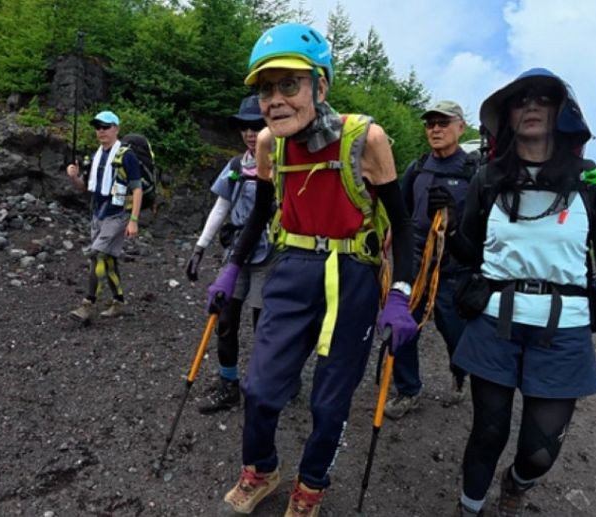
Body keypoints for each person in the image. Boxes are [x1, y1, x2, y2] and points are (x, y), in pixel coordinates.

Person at [207, 23, 418, 516]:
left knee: (329, 402)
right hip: (293, 266)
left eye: (288, 85)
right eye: (265, 88)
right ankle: (260, 469)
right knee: (259, 388)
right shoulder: (268, 145)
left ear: (320, 86)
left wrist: (400, 294)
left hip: (353, 275)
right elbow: (261, 213)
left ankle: (312, 486)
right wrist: (231, 269)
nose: (274, 100)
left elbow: (403, 226)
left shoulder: (367, 139)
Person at [437, 68, 596, 516]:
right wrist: (448, 224)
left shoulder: (593, 180)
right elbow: (468, 248)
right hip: (494, 321)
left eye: (543, 98)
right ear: (507, 115)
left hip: (564, 328)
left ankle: (518, 481)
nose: (530, 105)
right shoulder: (488, 179)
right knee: (487, 431)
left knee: (540, 450)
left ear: (563, 112)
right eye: (520, 99)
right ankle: (469, 509)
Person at [384, 100, 475, 420]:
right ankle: (408, 390)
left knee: (456, 335)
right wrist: (389, 238)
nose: (435, 129)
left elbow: (480, 225)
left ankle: (459, 373)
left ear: (461, 127)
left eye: (443, 123)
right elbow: (402, 212)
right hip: (414, 266)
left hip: (453, 270)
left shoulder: (473, 172)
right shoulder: (418, 167)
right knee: (403, 328)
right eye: (430, 123)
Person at [185, 95, 272, 414]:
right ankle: (229, 384)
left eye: (257, 126)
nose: (251, 134)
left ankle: (268, 384)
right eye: (245, 127)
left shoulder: (281, 164)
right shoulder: (236, 166)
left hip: (270, 254)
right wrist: (200, 247)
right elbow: (221, 207)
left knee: (264, 324)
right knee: (225, 319)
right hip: (236, 252)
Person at [67, 110, 143, 322]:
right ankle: (119, 302)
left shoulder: (127, 156)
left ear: (116, 129)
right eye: (98, 127)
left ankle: (88, 305)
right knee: (108, 258)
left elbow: (137, 189)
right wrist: (74, 178)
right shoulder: (95, 156)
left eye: (106, 127)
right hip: (98, 215)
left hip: (118, 215)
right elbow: (84, 188)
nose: (101, 131)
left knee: (97, 255)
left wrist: (134, 221)